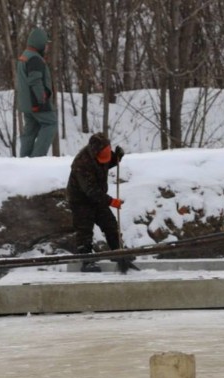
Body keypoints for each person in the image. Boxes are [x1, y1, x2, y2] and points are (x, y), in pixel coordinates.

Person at [66, 132, 135, 273]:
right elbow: (91, 191)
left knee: (110, 224)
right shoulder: (81, 164)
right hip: (81, 200)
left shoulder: (103, 154)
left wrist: (117, 157)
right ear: (94, 152)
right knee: (84, 231)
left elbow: (107, 162)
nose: (106, 158)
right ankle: (87, 261)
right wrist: (111, 201)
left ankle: (118, 252)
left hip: (97, 197)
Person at [16, 27, 57, 157]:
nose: (47, 47)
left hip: (26, 104)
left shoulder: (25, 56)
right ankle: (37, 159)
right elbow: (35, 80)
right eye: (46, 44)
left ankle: (24, 161)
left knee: (30, 131)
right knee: (51, 124)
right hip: (37, 102)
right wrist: (42, 98)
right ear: (39, 43)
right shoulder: (35, 59)